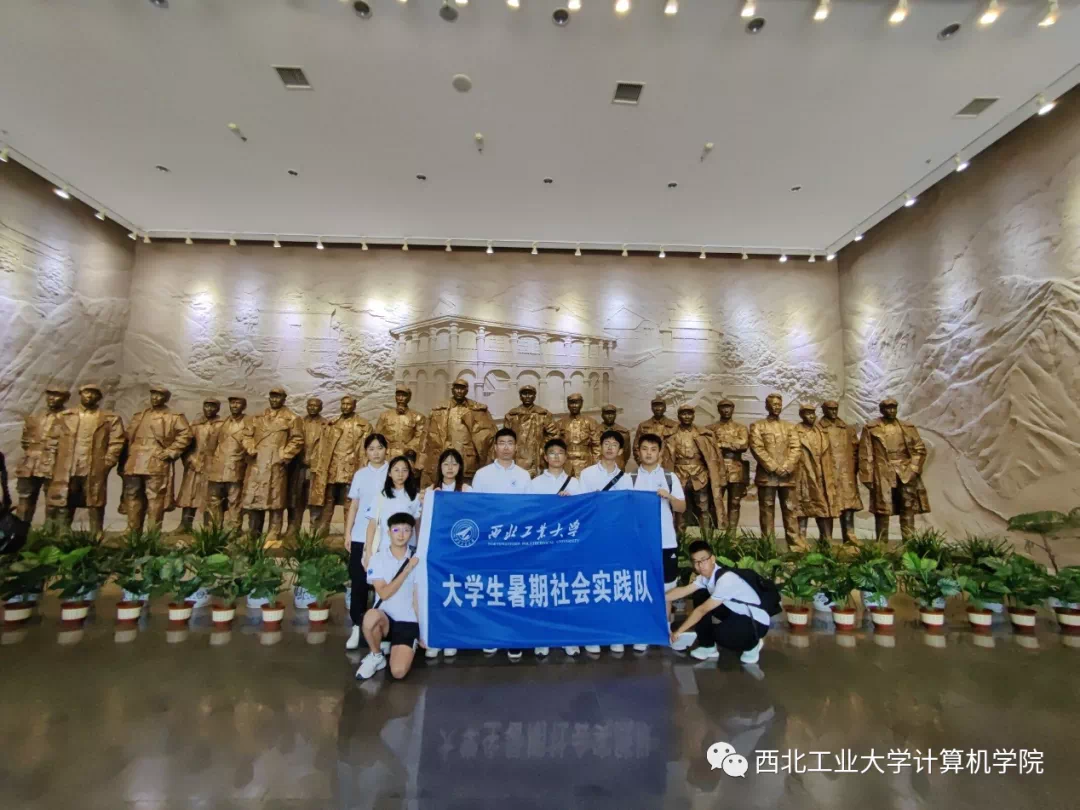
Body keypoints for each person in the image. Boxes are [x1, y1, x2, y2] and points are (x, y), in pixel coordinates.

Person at [470, 427, 531, 661]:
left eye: (510, 443)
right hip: (490, 542)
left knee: (515, 589)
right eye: (501, 443)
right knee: (491, 589)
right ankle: (491, 635)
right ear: (495, 447)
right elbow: (475, 509)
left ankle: (513, 637)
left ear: (516, 447)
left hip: (516, 542)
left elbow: (529, 511)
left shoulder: (524, 476)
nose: (506, 447)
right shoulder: (482, 475)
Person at [628, 433, 687, 653]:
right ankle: (643, 631)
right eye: (645, 449)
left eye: (653, 449)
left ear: (660, 452)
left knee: (666, 589)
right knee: (639, 586)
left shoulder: (670, 477)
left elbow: (682, 507)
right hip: (638, 543)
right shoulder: (630, 478)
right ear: (638, 452)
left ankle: (664, 631)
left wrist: (668, 497)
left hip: (666, 542)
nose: (649, 453)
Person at [665, 540, 768, 665]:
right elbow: (684, 591)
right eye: (696, 562)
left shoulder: (726, 579)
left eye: (703, 560)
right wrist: (658, 599)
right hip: (737, 614)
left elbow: (702, 610)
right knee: (700, 594)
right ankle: (707, 646)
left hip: (756, 621)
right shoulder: (704, 578)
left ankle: (753, 644)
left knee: (721, 635)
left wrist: (679, 632)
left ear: (712, 559)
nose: (700, 565)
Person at [578, 429, 633, 654]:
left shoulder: (626, 478)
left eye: (614, 445)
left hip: (616, 538)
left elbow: (628, 508)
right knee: (593, 585)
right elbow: (582, 506)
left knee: (613, 585)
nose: (610, 448)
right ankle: (594, 634)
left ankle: (615, 633)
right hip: (592, 538)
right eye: (606, 443)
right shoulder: (587, 474)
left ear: (620, 451)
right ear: (599, 447)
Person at [526, 438, 582, 658]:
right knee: (543, 590)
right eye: (552, 453)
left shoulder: (575, 484)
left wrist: (571, 502)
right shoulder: (535, 483)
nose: (556, 456)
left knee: (567, 590)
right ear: (545, 457)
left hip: (569, 546)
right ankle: (543, 638)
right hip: (543, 546)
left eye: (560, 453)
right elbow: (529, 513)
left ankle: (569, 638)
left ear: (566, 457)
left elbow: (585, 512)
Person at [355, 512, 422, 681]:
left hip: (407, 621)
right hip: (385, 618)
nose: (401, 535)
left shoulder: (417, 559)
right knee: (370, 617)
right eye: (396, 530)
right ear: (388, 532)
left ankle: (399, 646)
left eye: (406, 530)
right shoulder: (378, 559)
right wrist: (407, 570)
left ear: (412, 533)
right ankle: (376, 655)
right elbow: (384, 593)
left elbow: (417, 597)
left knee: (398, 672)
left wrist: (423, 630)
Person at [420, 448, 471, 660]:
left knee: (457, 594)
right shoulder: (430, 491)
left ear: (460, 468)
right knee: (438, 594)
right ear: (439, 467)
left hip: (459, 552)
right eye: (446, 464)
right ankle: (436, 638)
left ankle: (452, 638)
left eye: (454, 464)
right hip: (436, 552)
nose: (450, 468)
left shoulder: (466, 490)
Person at [344, 434, 390, 651]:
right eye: (371, 449)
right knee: (359, 583)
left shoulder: (393, 472)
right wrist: (348, 533)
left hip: (386, 537)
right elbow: (354, 505)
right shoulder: (360, 475)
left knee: (385, 584)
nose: (376, 453)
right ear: (366, 452)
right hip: (361, 536)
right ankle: (357, 626)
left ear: (386, 450)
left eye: (379, 448)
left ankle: (384, 629)